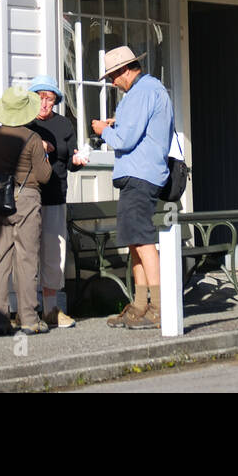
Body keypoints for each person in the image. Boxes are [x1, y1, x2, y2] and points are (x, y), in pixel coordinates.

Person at [91, 45, 173, 329]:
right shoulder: (149, 90)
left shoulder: (141, 92)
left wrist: (104, 131)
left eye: (114, 75)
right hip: (141, 175)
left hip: (140, 176)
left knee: (143, 241)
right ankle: (140, 305)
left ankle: (160, 308)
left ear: (126, 69)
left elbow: (125, 140)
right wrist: (118, 123)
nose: (113, 82)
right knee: (135, 241)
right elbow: (140, 130)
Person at [0, 85, 53, 335]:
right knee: (27, 258)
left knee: (0, 261)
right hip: (25, 199)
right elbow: (43, 176)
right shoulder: (32, 139)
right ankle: (28, 318)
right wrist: (47, 157)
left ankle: (0, 320)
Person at [26, 74, 85, 328]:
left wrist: (78, 161)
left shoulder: (64, 125)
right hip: (28, 197)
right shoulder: (25, 124)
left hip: (55, 195)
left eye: (49, 99)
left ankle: (50, 310)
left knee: (53, 253)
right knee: (27, 252)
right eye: (40, 98)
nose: (44, 103)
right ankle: (26, 309)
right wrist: (39, 147)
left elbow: (71, 161)